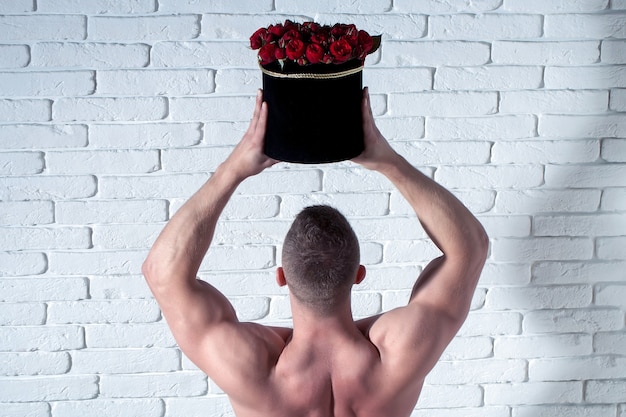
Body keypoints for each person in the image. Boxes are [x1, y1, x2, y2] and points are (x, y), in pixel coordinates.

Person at [142, 87, 489, 417]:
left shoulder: (249, 366)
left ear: (281, 276)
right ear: (358, 274)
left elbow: (162, 272)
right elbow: (469, 249)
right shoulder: (400, 352)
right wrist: (387, 161)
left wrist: (232, 171)